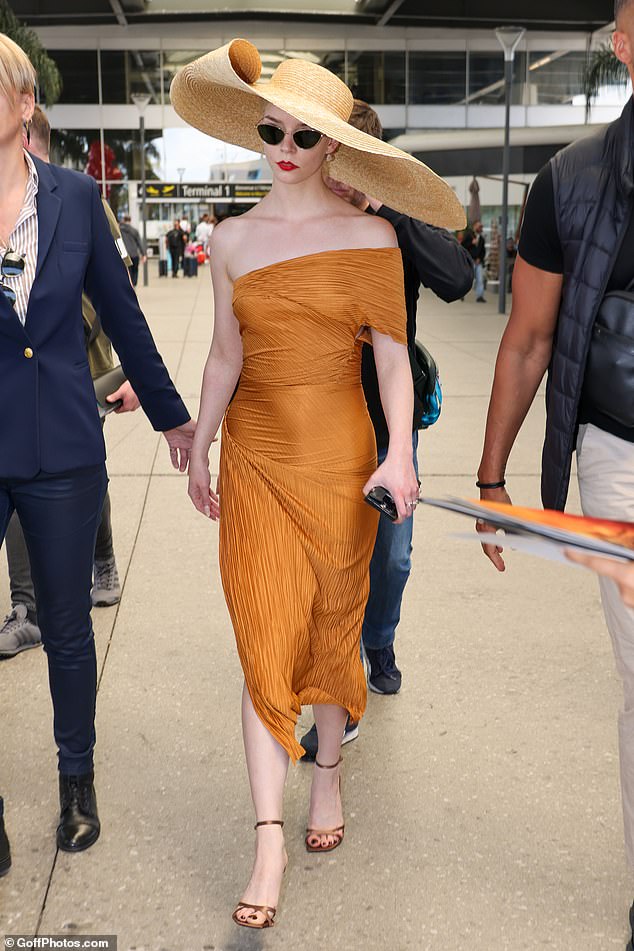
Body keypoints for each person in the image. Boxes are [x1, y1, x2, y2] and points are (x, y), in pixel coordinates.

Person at [173, 38, 464, 929]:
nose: (286, 149)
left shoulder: (373, 236)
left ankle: (327, 774)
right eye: (272, 131)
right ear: (257, 135)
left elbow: (391, 362)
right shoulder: (230, 240)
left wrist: (401, 453)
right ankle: (268, 837)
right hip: (257, 456)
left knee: (336, 617)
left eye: (306, 137)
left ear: (334, 145)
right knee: (265, 631)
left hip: (343, 457)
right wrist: (201, 437)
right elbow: (226, 354)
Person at [0, 33, 195, 855]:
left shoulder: (77, 199)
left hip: (62, 447)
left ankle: (76, 779)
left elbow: (122, 314)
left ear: (23, 104)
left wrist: (173, 417)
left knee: (69, 627)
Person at [475, 3, 634, 944]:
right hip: (621, 455)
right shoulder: (570, 180)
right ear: (625, 42)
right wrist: (491, 480)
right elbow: (529, 338)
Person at [299, 100, 473, 758]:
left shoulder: (396, 219)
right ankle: (339, 695)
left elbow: (458, 278)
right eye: (330, 158)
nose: (336, 174)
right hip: (322, 423)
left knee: (391, 558)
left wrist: (385, 208)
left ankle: (379, 637)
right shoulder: (307, 221)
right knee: (334, 563)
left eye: (350, 162)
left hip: (390, 424)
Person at [0, 106, 140, 659]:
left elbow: (119, 292)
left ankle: (99, 558)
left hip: (83, 366)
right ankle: (27, 606)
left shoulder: (83, 201)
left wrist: (125, 372)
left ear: (28, 134)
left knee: (79, 471)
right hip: (20, 376)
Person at [119, 214, 146, 286]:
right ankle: (133, 285)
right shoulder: (134, 231)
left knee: (127, 272)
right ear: (130, 221)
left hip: (124, 254)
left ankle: (129, 286)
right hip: (134, 254)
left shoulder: (119, 231)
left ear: (124, 220)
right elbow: (139, 243)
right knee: (135, 271)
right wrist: (143, 254)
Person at [463, 219, 486, 302]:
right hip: (470, 261)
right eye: (479, 226)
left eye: (481, 226)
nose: (480, 228)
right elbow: (463, 246)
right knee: (467, 278)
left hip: (478, 262)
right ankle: (462, 294)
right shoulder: (469, 235)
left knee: (480, 279)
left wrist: (480, 258)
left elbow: (483, 251)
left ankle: (480, 296)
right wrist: (471, 243)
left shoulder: (482, 239)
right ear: (474, 226)